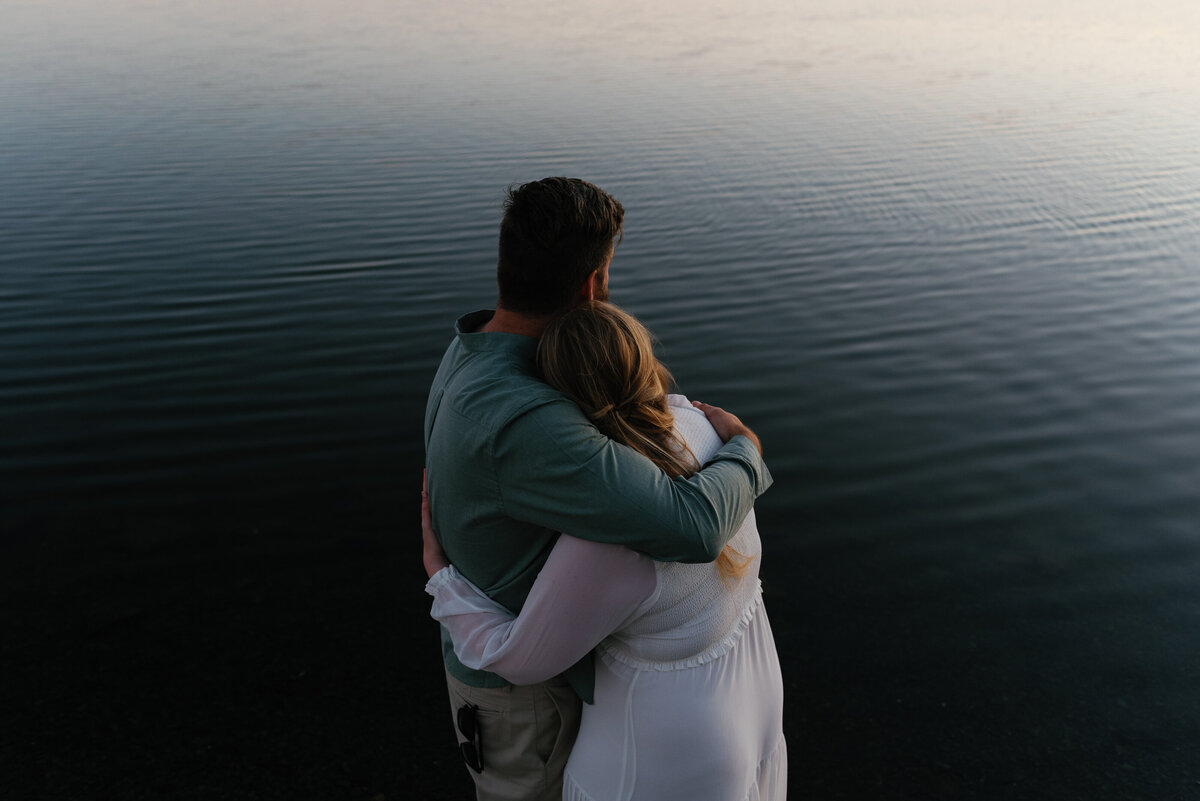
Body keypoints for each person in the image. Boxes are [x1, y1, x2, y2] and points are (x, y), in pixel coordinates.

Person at [423, 177, 772, 800]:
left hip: (516, 659)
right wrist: (746, 447)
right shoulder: (526, 418)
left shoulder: (472, 348)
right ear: (592, 286)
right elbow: (689, 527)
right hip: (523, 692)